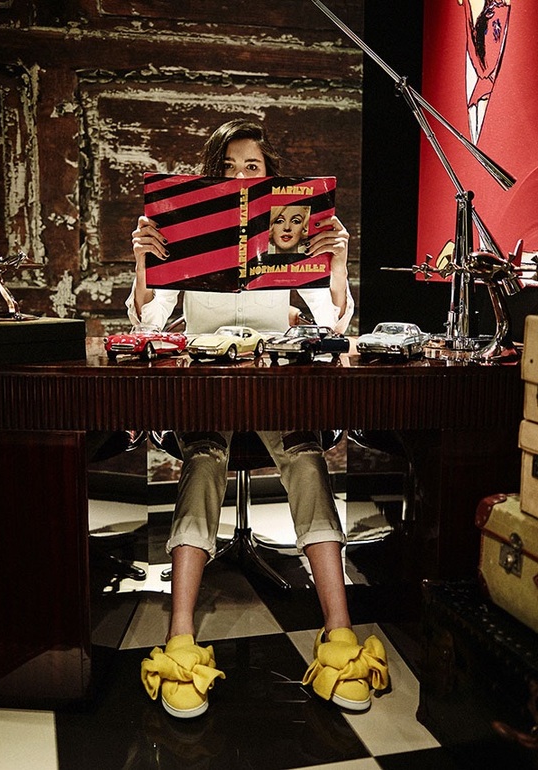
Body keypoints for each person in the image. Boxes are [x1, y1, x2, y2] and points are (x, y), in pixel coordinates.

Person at [128, 118, 389, 719]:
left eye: (253, 168)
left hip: (275, 378)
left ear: (271, 178)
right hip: (207, 380)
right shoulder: (186, 229)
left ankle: (339, 631)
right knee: (202, 463)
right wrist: (143, 263)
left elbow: (333, 324)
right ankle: (181, 634)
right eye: (228, 168)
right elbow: (147, 323)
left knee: (307, 461)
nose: (241, 177)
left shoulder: (290, 227)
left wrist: (338, 261)